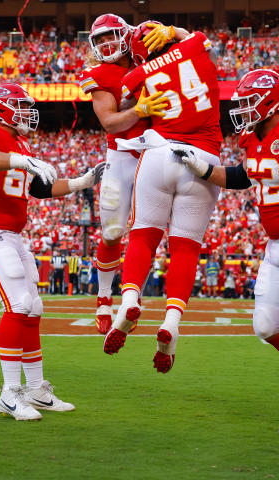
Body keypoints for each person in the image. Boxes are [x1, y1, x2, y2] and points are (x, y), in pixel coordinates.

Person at [176, 68, 279, 436]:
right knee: (267, 325)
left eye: (250, 100)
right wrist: (201, 167)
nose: (243, 108)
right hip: (276, 244)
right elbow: (242, 176)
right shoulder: (253, 139)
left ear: (272, 102)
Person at [0, 82, 104, 420]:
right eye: (20, 105)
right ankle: (9, 394)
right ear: (0, 108)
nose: (27, 112)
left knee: (34, 307)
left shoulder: (20, 141)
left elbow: (39, 188)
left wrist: (82, 182)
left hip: (10, 234)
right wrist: (21, 160)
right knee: (18, 304)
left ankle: (36, 388)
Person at [103, 22, 222, 374]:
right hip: (203, 158)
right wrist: (174, 32)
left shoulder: (134, 77)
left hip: (158, 153)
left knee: (143, 235)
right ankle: (171, 321)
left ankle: (127, 301)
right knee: (185, 247)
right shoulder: (195, 46)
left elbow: (119, 114)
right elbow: (199, 38)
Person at [76, 14, 168, 332]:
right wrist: (141, 110)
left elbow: (190, 49)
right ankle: (104, 298)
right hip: (122, 154)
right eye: (98, 40)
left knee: (146, 230)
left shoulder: (151, 54)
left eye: (109, 36)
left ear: (126, 34)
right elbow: (110, 122)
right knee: (113, 231)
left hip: (156, 153)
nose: (104, 44)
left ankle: (131, 296)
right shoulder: (97, 74)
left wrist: (173, 32)